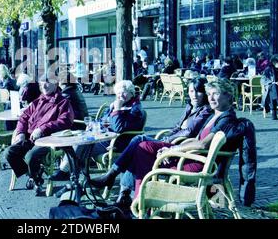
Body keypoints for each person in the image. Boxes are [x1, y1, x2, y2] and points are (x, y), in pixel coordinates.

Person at [90, 79, 238, 203]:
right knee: (140, 148)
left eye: (215, 94)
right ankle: (132, 198)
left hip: (194, 161)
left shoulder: (224, 117)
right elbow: (194, 138)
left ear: (228, 96)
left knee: (140, 144)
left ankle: (130, 195)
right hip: (189, 153)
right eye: (209, 94)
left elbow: (201, 143)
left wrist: (172, 149)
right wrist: (170, 147)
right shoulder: (215, 114)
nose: (211, 98)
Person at [51, 80, 146, 182]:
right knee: (78, 143)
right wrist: (94, 125)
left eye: (124, 92)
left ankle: (67, 174)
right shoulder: (119, 105)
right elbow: (103, 120)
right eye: (118, 93)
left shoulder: (135, 109)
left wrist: (116, 110)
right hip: (103, 138)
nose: (120, 95)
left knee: (80, 146)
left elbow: (119, 128)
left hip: (116, 143)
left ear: (131, 93)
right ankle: (73, 179)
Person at [5, 75, 74, 196]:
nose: (44, 85)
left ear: (56, 83)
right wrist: (20, 133)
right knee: (9, 153)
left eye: (47, 82)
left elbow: (65, 121)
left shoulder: (63, 102)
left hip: (48, 140)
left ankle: (34, 176)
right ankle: (35, 177)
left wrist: (42, 129)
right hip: (30, 139)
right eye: (42, 83)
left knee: (30, 156)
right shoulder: (38, 101)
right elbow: (23, 117)